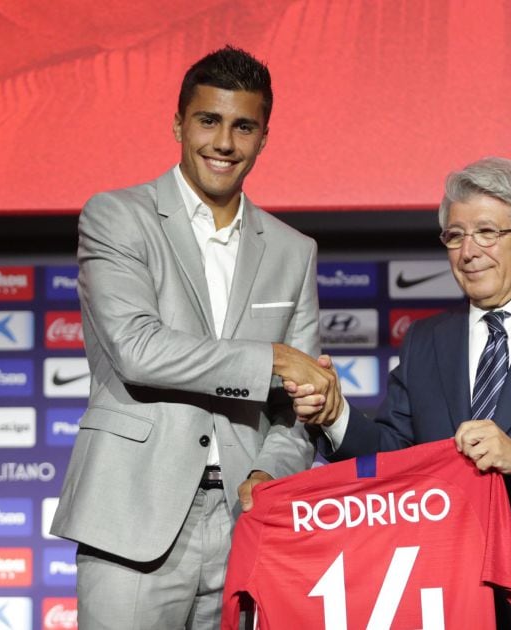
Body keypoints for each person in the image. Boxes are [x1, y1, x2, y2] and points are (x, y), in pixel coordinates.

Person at [51, 45, 336, 630]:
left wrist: (269, 474)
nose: (224, 142)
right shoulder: (116, 216)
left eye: (243, 126)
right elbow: (137, 348)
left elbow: (295, 411)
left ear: (263, 136)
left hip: (245, 520)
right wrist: (276, 359)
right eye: (209, 120)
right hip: (132, 515)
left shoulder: (293, 251)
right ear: (179, 123)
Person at [289, 156, 511, 629]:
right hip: (444, 589)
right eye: (455, 236)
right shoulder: (426, 340)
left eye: (488, 233)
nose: (468, 251)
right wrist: (335, 417)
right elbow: (397, 453)